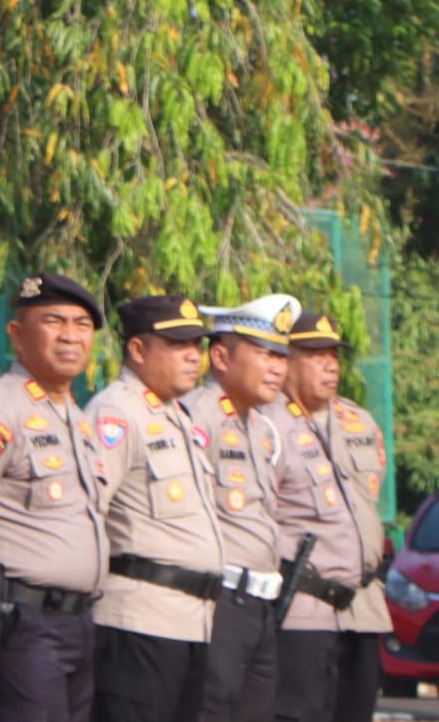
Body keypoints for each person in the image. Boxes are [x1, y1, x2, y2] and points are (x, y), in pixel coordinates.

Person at [0, 272, 107, 722]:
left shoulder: (75, 415)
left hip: (79, 622)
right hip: (26, 622)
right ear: (17, 334)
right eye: (54, 321)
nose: (70, 336)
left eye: (82, 324)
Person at [87, 295, 225, 722]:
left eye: (196, 346)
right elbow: (91, 511)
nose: (192, 357)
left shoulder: (176, 416)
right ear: (138, 349)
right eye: (177, 345)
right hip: (138, 622)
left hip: (190, 620)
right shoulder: (116, 413)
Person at [263, 312, 390, 722]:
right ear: (285, 360)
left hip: (364, 605)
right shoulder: (266, 422)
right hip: (303, 601)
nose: (331, 364)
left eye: (334, 354)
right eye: (316, 354)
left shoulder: (360, 422)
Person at [183, 293, 299, 722]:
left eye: (281, 357)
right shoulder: (198, 415)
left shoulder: (260, 426)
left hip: (260, 604)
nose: (276, 368)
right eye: (264, 354)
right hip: (220, 599)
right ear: (221, 357)